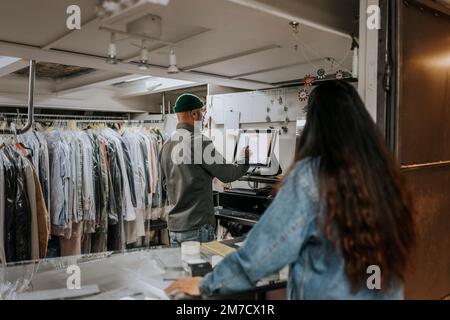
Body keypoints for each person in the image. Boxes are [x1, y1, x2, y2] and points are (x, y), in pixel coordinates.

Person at [165, 81, 416, 299]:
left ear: (316, 124)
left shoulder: (310, 177)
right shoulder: (386, 177)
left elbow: (263, 253)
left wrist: (209, 284)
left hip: (176, 224)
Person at [160, 93, 250, 246]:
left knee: (182, 270)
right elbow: (229, 174)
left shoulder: (166, 145)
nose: (203, 118)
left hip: (175, 228)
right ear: (194, 113)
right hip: (197, 228)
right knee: (201, 269)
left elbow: (165, 184)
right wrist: (244, 159)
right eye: (202, 113)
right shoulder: (199, 142)